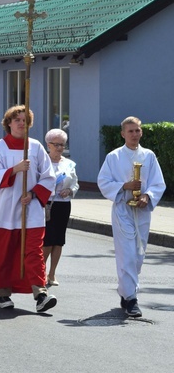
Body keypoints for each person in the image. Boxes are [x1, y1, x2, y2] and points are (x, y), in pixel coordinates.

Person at [0, 106, 57, 313]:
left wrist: (34, 193)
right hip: (6, 210)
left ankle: (40, 294)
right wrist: (15, 169)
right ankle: (3, 294)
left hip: (31, 210)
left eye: (25, 120)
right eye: (17, 119)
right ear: (8, 123)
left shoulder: (35, 147)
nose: (21, 123)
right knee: (5, 252)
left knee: (34, 252)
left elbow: (49, 176)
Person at [97, 116, 165, 318]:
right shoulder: (114, 157)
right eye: (130, 131)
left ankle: (125, 291)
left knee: (138, 253)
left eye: (137, 130)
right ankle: (132, 299)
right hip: (122, 209)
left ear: (141, 132)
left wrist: (147, 195)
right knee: (126, 252)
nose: (134, 134)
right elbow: (103, 181)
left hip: (142, 210)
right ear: (123, 134)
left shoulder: (149, 156)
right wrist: (124, 186)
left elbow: (157, 183)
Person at [43, 128, 79, 287]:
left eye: (62, 145)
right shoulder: (42, 162)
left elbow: (75, 183)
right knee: (47, 241)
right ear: (48, 145)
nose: (59, 148)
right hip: (46, 204)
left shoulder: (69, 164)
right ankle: (41, 272)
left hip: (63, 205)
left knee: (59, 240)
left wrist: (70, 190)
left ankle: (52, 273)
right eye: (56, 144)